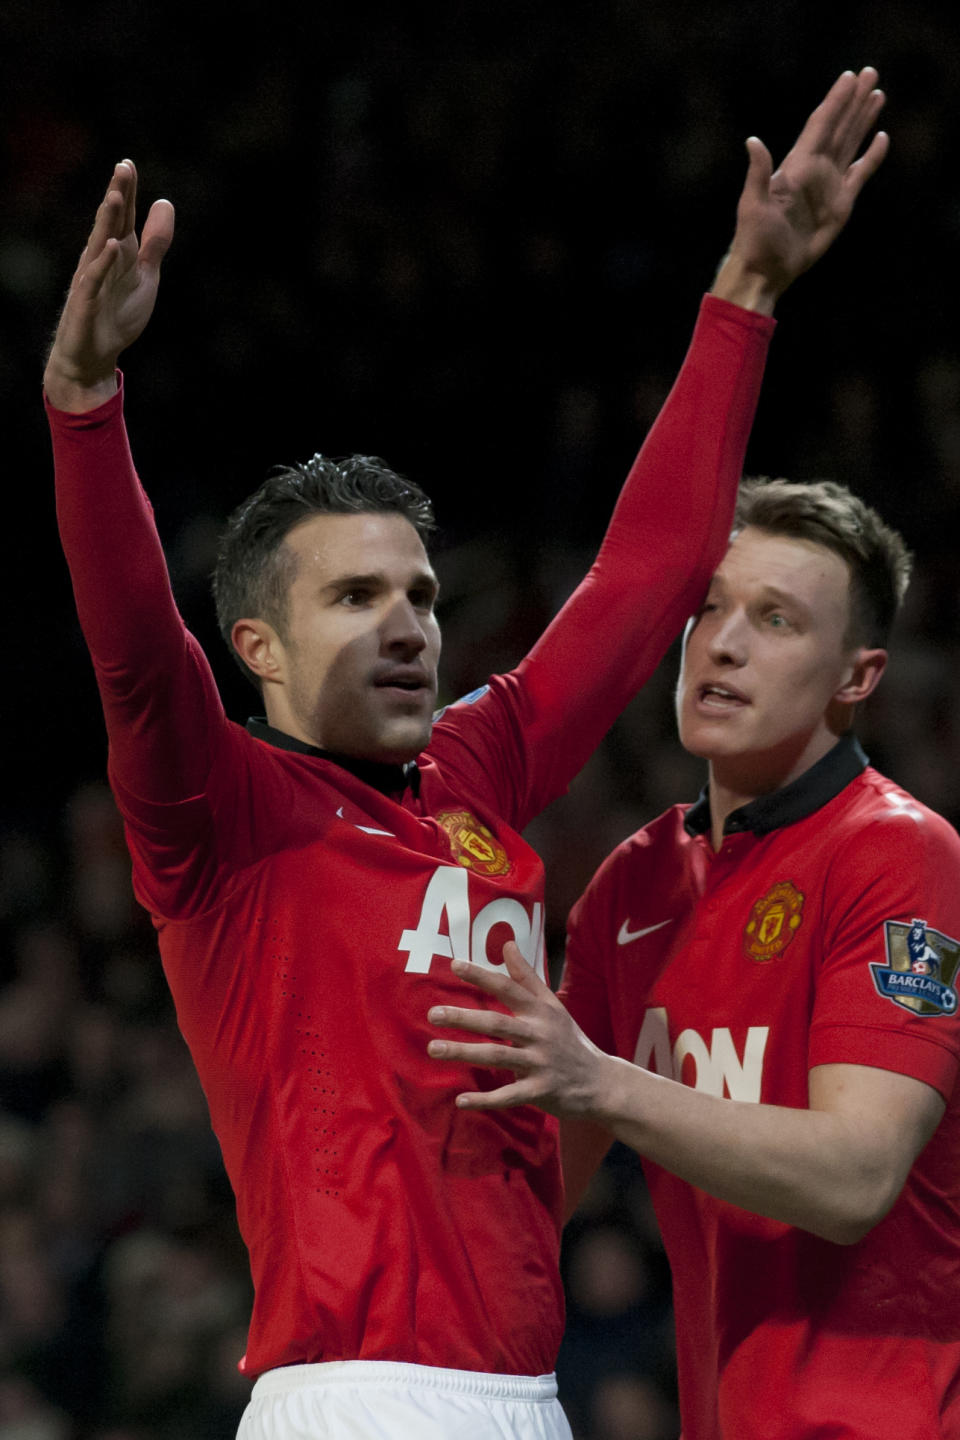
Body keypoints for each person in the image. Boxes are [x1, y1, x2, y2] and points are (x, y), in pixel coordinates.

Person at [44, 70, 886, 1440]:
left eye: (425, 596)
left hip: (522, 1393)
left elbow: (647, 575)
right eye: (356, 596)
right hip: (360, 1395)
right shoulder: (225, 811)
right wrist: (86, 405)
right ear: (255, 644)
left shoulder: (473, 773)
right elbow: (137, 649)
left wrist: (745, 288)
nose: (407, 625)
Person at [428, 474, 960, 1438]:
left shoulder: (901, 851)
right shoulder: (632, 887)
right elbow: (534, 1198)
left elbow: (855, 1178)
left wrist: (602, 1081)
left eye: (777, 620)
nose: (722, 641)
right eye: (708, 607)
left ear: (858, 676)